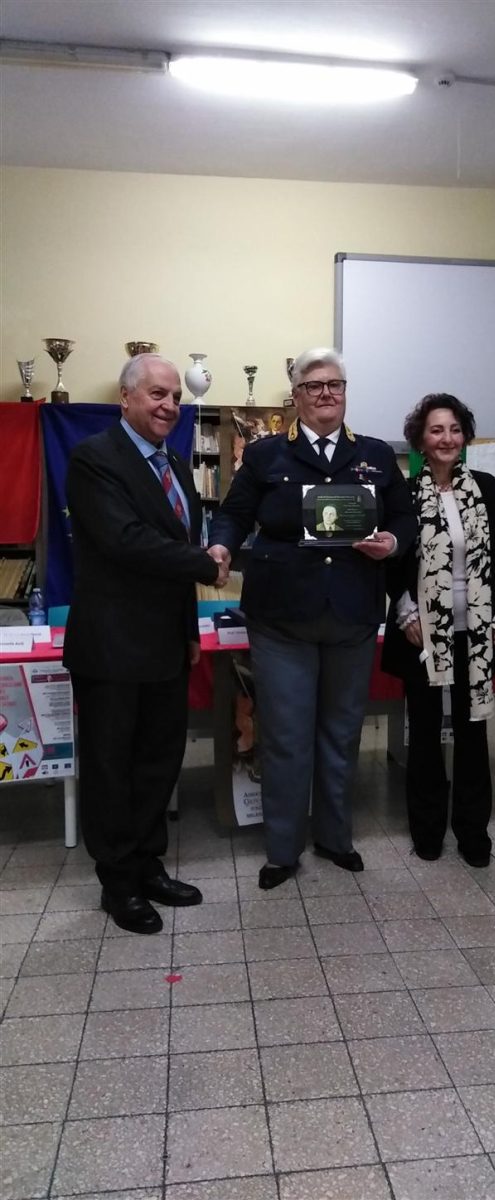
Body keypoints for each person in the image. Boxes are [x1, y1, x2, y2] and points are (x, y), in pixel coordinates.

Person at [208, 347, 417, 889]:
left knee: (342, 733)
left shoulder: (374, 454)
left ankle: (335, 837)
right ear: (296, 396)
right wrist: (221, 547)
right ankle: (282, 850)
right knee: (285, 735)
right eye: (314, 385)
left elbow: (404, 517)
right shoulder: (265, 455)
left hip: (351, 614)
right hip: (282, 618)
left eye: (335, 385)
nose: (327, 394)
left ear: (345, 393)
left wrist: (392, 542)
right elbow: (234, 514)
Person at [63, 354, 226, 934]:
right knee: (112, 766)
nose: (169, 406)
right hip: (112, 647)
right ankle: (118, 883)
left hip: (165, 647)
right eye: (157, 394)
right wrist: (204, 564)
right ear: (126, 398)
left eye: (175, 396)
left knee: (159, 762)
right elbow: (126, 540)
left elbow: (177, 554)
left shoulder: (175, 463)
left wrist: (189, 631)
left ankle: (148, 864)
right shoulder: (94, 459)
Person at [382, 393, 495, 868]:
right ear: (421, 440)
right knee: (423, 733)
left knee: (472, 732)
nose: (446, 438)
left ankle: (473, 833)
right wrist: (405, 611)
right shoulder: (403, 492)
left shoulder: (486, 487)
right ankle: (427, 831)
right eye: (436, 430)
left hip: (474, 632)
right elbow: (394, 561)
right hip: (422, 632)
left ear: (465, 437)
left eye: (455, 429)